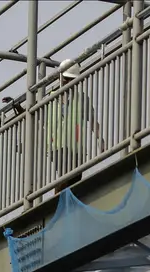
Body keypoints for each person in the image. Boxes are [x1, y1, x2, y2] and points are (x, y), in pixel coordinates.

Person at [44, 58, 105, 193]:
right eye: (66, 78)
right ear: (60, 78)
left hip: (76, 147)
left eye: (71, 79)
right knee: (65, 175)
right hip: (58, 146)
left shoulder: (81, 98)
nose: (68, 82)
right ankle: (58, 202)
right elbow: (36, 117)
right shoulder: (50, 98)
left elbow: (93, 120)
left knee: (75, 179)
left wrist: (100, 139)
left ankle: (68, 203)